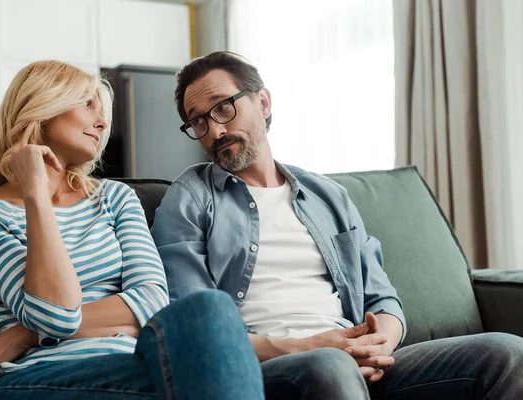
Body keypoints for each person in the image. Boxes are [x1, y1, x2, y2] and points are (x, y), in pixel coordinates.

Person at [150, 51, 523, 400]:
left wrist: (380, 343)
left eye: (223, 109)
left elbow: (382, 297)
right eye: (198, 121)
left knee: (505, 352)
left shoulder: (327, 195)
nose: (214, 131)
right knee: (329, 367)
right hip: (271, 366)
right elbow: (197, 325)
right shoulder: (190, 198)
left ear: (263, 103)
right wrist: (312, 347)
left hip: (355, 355)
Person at [0, 60, 264, 400]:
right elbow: (55, 315)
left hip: (132, 365)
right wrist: (35, 194)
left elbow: (153, 300)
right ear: (42, 105)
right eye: (88, 104)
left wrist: (23, 333)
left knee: (210, 311)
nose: (101, 123)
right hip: (41, 378)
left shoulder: (114, 197)